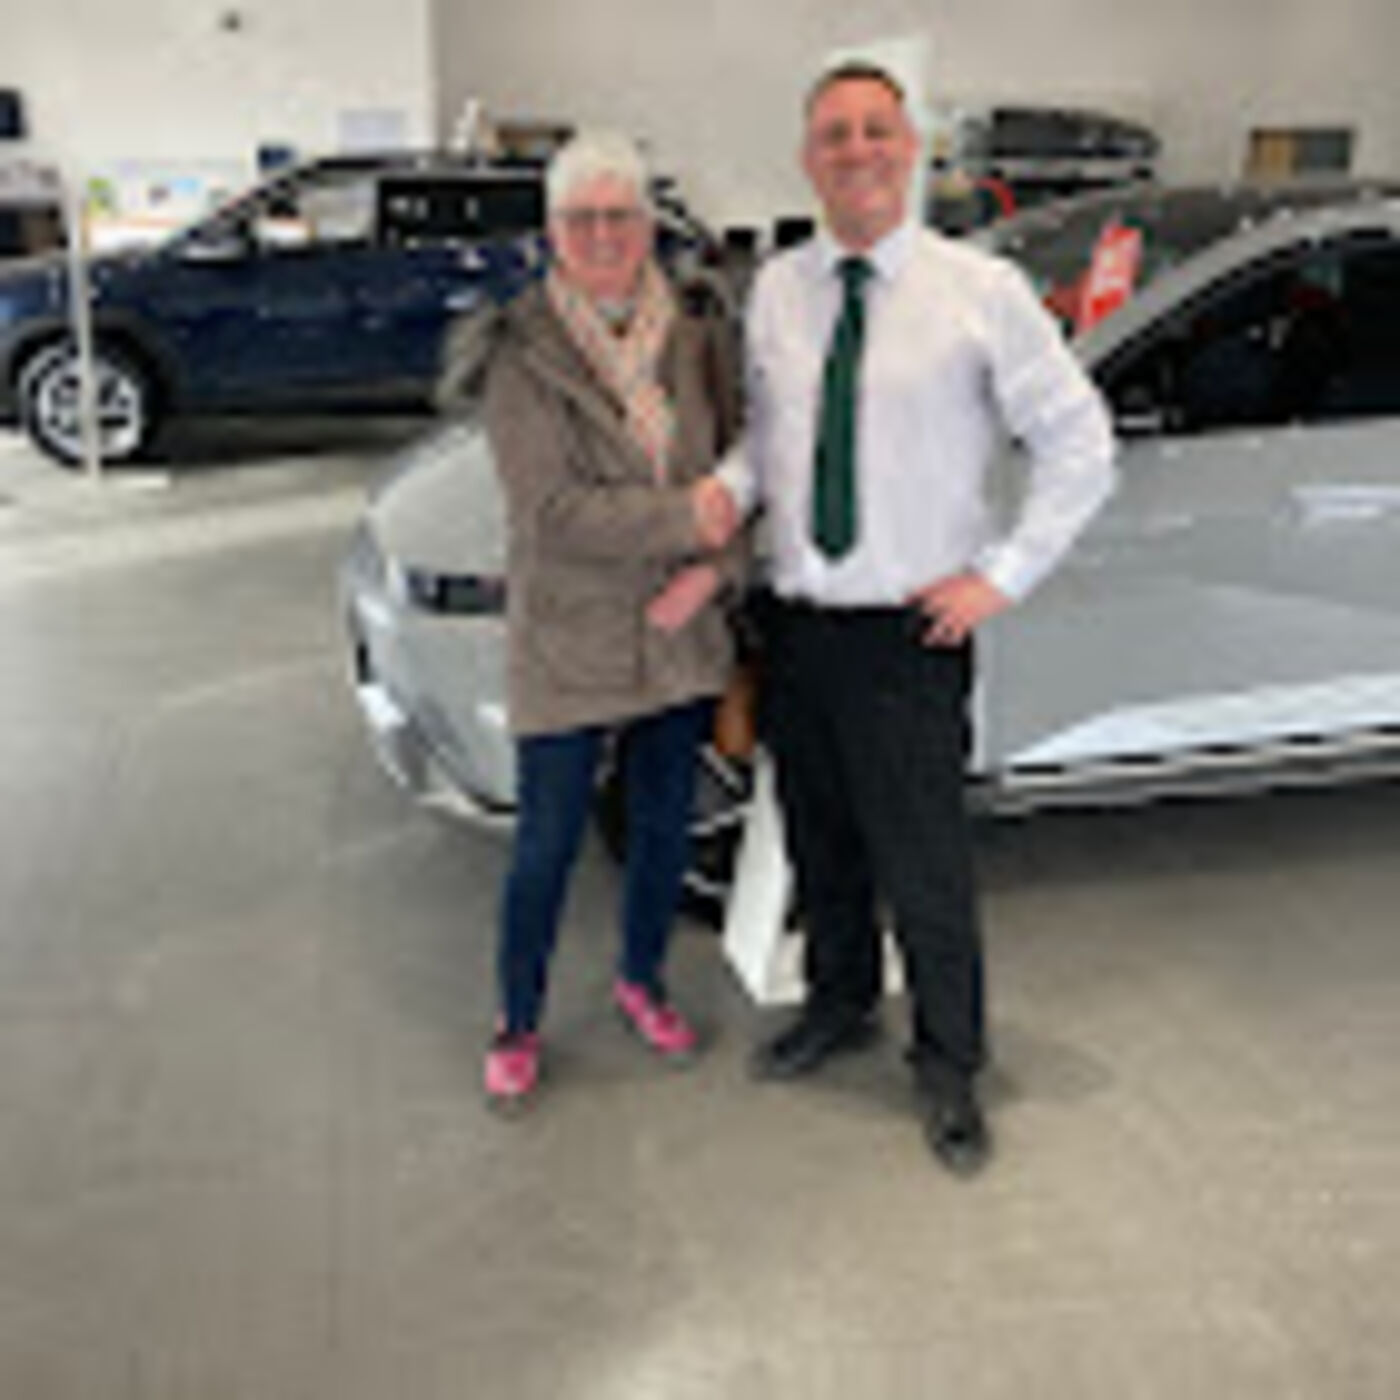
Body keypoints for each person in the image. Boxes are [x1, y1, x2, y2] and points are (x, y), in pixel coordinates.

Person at [714, 63, 1116, 1174]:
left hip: (909, 636)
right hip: (798, 625)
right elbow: (772, 441)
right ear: (808, 159)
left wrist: (1003, 574)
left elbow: (1081, 444)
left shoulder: (978, 290)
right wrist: (725, 491)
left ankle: (948, 1062)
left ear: (912, 148)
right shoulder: (777, 289)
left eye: (876, 130)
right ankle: (839, 1002)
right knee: (821, 843)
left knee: (923, 865)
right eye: (833, 134)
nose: (856, 150)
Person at [440, 130, 743, 1112]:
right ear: (551, 230)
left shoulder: (697, 333)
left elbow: (745, 476)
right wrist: (686, 521)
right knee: (547, 841)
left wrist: (715, 570)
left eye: (620, 215)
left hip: (677, 630)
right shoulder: (519, 350)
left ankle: (640, 979)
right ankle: (516, 1019)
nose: (603, 235)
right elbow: (549, 512)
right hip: (569, 636)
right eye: (581, 219)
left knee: (661, 827)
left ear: (649, 224)